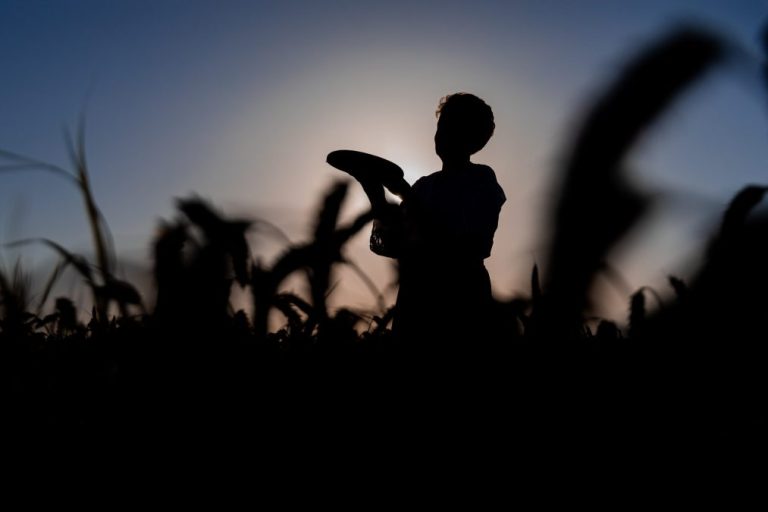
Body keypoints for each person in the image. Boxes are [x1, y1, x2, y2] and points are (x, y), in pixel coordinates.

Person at [365, 93, 506, 348]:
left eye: (454, 128)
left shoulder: (481, 179)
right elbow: (391, 243)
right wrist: (374, 193)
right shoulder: (423, 186)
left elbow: (466, 244)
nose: (443, 135)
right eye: (442, 127)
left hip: (460, 297)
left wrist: (406, 195)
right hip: (415, 297)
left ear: (475, 140)